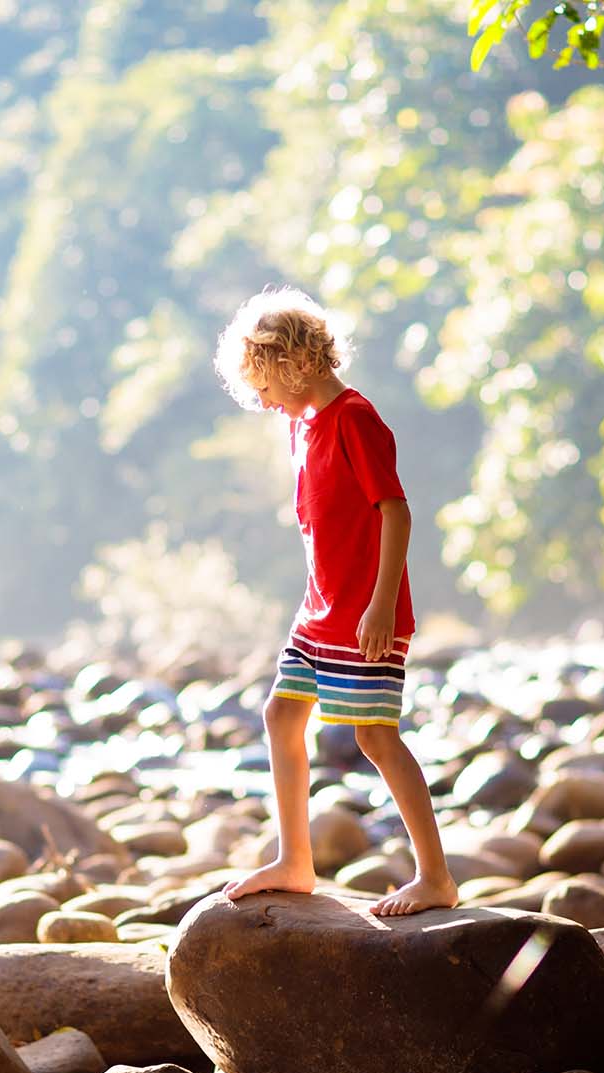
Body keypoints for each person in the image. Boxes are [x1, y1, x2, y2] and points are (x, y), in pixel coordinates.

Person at [212, 287, 457, 917]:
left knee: (375, 735)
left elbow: (395, 512)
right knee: (280, 716)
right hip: (319, 611)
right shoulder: (303, 424)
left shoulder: (354, 417)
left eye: (263, 386)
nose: (262, 402)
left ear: (292, 363)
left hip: (364, 613)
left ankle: (434, 876)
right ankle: (296, 860)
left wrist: (380, 606)